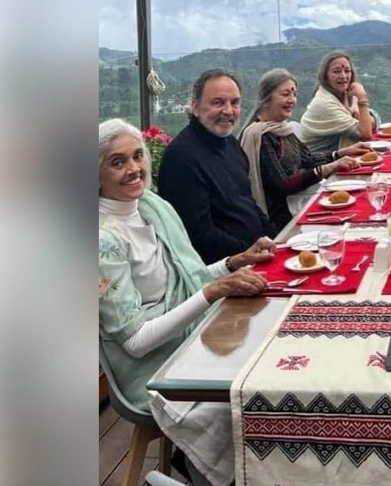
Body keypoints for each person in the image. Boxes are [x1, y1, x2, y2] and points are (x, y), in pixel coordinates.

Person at [98, 118, 273, 486]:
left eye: (137, 157)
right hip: (150, 368)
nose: (134, 169)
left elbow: (185, 277)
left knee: (271, 363)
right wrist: (212, 292)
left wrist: (233, 262)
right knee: (253, 394)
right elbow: (135, 341)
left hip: (188, 337)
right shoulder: (101, 240)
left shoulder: (150, 206)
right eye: (117, 162)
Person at [158, 68, 280, 264]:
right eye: (218, 102)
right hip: (225, 272)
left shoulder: (231, 143)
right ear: (195, 107)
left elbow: (248, 204)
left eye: (235, 103)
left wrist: (279, 241)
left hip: (255, 256)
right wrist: (251, 255)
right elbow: (199, 236)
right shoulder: (181, 159)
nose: (228, 111)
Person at [239, 68, 369, 230]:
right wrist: (331, 166)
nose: (292, 100)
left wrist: (341, 153)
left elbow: (306, 159)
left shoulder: (281, 128)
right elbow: (283, 185)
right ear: (266, 98)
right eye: (285, 94)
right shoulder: (261, 136)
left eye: (294, 94)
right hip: (281, 220)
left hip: (298, 204)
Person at [299, 51, 379, 152]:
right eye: (336, 71)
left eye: (347, 71)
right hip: (322, 163)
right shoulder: (324, 103)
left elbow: (374, 122)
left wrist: (364, 118)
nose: (343, 76)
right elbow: (365, 133)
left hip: (342, 158)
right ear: (325, 76)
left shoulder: (347, 95)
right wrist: (362, 99)